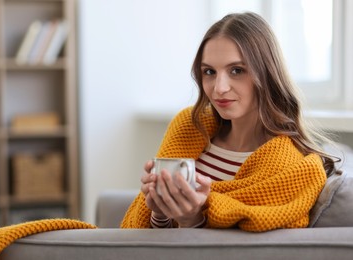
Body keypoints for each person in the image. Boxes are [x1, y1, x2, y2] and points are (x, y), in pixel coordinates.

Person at [121, 12, 338, 232]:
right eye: (209, 72)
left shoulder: (289, 168)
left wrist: (193, 219)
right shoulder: (189, 126)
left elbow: (245, 251)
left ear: (267, 74)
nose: (219, 88)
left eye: (236, 70)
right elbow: (151, 242)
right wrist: (160, 211)